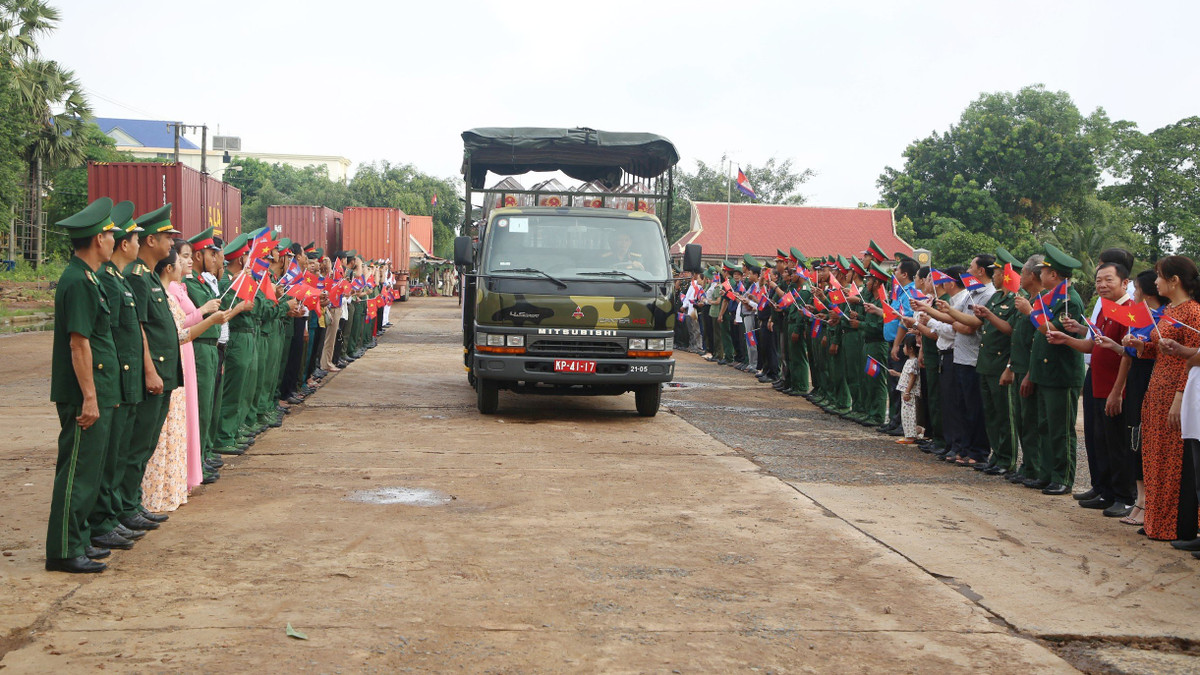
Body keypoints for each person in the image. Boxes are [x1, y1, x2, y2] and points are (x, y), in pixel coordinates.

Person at [46, 198, 121, 573]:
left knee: (89, 473)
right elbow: (79, 343)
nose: (114, 239)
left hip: (98, 389)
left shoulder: (89, 277)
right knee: (76, 472)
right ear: (97, 239)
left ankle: (78, 539)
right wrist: (90, 396)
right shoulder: (77, 281)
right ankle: (63, 550)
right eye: (110, 233)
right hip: (82, 394)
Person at [141, 247, 226, 512]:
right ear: (169, 268)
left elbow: (182, 333)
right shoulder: (164, 295)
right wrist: (209, 317)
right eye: (181, 259)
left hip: (179, 357)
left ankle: (171, 487)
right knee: (167, 430)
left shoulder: (168, 292)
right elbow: (178, 334)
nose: (185, 263)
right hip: (171, 361)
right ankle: (156, 493)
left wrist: (213, 318)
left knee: (177, 426)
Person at [1047, 261, 1135, 515]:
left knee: (1118, 444)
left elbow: (1127, 356)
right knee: (1100, 441)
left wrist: (1117, 391)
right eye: (1099, 280)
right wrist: (1066, 339)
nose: (1102, 285)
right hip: (1097, 383)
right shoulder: (1105, 309)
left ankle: (1124, 496)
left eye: (1109, 280)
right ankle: (1105, 490)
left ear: (1125, 282)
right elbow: (1092, 346)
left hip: (1115, 387)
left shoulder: (1130, 312)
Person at [87, 202, 150, 555]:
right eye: (131, 237)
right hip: (116, 378)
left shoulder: (119, 281)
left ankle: (113, 516)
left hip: (126, 378)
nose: (135, 243)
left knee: (122, 450)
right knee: (112, 456)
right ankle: (104, 521)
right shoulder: (110, 282)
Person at [1123, 255, 1200, 541]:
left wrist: (1179, 397)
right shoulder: (1169, 310)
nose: (1155, 282)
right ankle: (1155, 520)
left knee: (1172, 461)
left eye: (1158, 276)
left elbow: (1191, 358)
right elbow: (1161, 349)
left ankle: (1174, 525)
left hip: (1175, 392)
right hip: (1156, 388)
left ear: (1174, 280)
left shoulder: (1193, 312)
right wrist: (1141, 344)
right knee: (1153, 457)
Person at [117, 204, 182, 533]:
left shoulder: (150, 278)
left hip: (164, 373)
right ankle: (126, 507)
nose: (172, 244)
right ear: (151, 240)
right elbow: (139, 329)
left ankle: (133, 502)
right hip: (152, 375)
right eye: (168, 237)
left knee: (146, 442)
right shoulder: (138, 277)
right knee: (137, 443)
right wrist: (150, 371)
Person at [889, 333, 922, 444]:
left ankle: (910, 435)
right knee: (905, 413)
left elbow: (913, 377)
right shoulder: (910, 361)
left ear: (911, 348)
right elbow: (907, 376)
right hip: (906, 391)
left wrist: (907, 391)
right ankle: (909, 434)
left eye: (904, 346)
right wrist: (897, 374)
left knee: (909, 414)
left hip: (909, 393)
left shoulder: (913, 362)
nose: (903, 349)